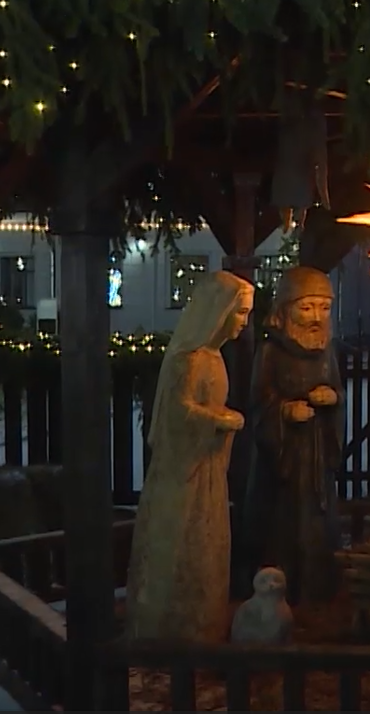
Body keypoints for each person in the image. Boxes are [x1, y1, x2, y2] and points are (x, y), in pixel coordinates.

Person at [125, 271, 254, 642]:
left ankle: (203, 623)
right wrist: (217, 419)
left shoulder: (215, 358)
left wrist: (221, 420)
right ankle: (170, 628)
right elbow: (178, 410)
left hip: (208, 468)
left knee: (206, 544)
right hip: (183, 472)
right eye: (240, 312)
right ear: (218, 310)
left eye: (247, 313)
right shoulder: (189, 359)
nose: (244, 322)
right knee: (180, 543)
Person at [245, 266, 345, 604]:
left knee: (319, 524)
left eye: (324, 308)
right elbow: (259, 402)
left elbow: (338, 391)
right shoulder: (271, 352)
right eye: (306, 307)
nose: (316, 317)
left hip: (317, 456)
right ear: (286, 309)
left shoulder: (327, 351)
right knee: (282, 526)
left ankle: (319, 587)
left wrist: (333, 399)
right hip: (283, 461)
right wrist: (285, 411)